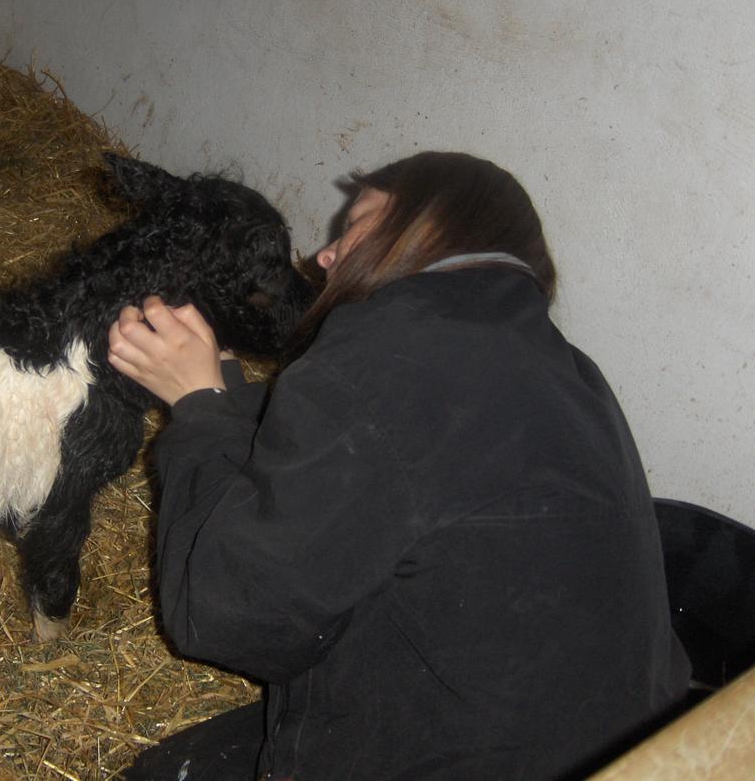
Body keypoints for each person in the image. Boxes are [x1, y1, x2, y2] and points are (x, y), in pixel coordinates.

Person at [106, 151, 690, 780]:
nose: (326, 255)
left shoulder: (384, 351)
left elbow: (228, 616)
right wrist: (223, 385)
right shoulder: (564, 369)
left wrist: (197, 408)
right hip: (601, 748)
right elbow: (368, 465)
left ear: (432, 226)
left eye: (354, 223)